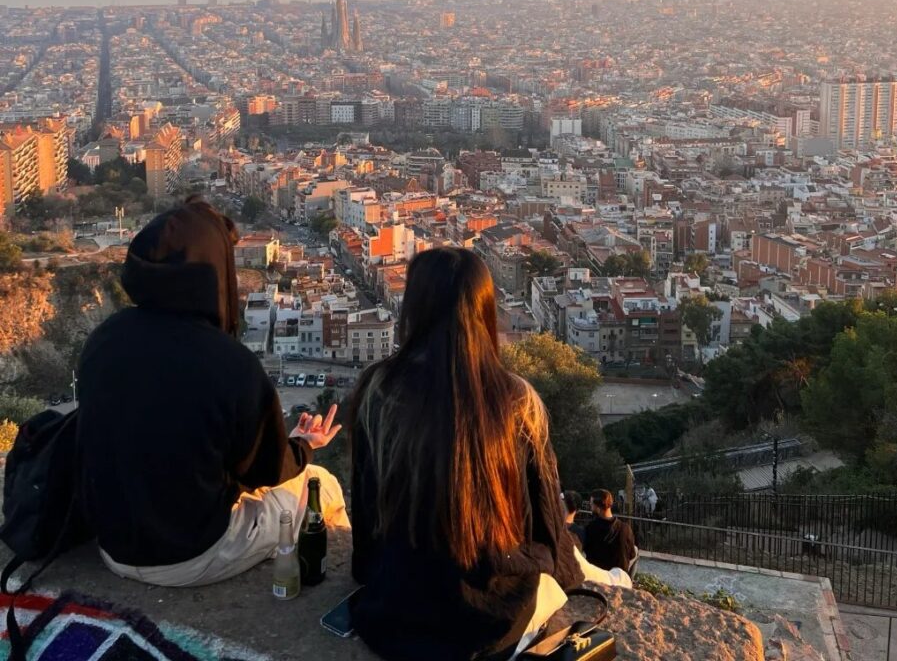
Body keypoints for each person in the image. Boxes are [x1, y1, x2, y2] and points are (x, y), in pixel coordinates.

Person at [349, 247, 623, 661]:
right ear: (485, 312)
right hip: (493, 618)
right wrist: (562, 573)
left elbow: (367, 509)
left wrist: (376, 574)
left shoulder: (379, 391)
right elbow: (547, 519)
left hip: (396, 611)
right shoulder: (516, 402)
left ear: (414, 310)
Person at [76, 199, 350, 587]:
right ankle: (322, 587)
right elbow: (264, 472)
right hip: (189, 553)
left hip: (113, 545)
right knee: (323, 485)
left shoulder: (103, 339)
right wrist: (303, 446)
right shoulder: (228, 363)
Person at [583, 489, 638, 575]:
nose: (591, 507)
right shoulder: (625, 528)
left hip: (598, 575)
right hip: (619, 576)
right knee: (636, 550)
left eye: (591, 505)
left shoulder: (590, 529)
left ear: (598, 507)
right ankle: (629, 580)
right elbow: (632, 555)